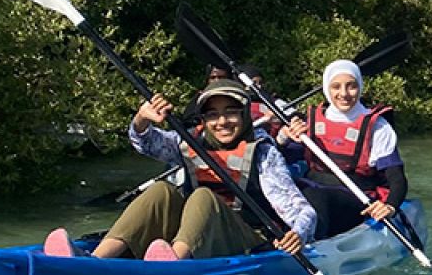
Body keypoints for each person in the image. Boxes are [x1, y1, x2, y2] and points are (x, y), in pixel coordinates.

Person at [43, 80, 313, 261]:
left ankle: (173, 263)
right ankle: (95, 261)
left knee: (203, 197)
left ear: (244, 116)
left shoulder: (263, 152)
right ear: (203, 119)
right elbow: (145, 142)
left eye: (231, 113)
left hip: (244, 239)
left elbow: (301, 211)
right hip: (198, 234)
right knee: (161, 190)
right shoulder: (189, 140)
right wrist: (141, 119)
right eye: (212, 115)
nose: (222, 122)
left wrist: (297, 235)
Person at [278, 60, 410, 239]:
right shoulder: (309, 122)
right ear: (327, 89)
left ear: (360, 87)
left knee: (316, 197)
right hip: (311, 187)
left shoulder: (378, 127)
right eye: (336, 87)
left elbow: (396, 178)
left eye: (351, 86)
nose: (344, 94)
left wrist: (390, 206)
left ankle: (305, 242)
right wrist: (283, 137)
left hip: (356, 198)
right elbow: (279, 159)